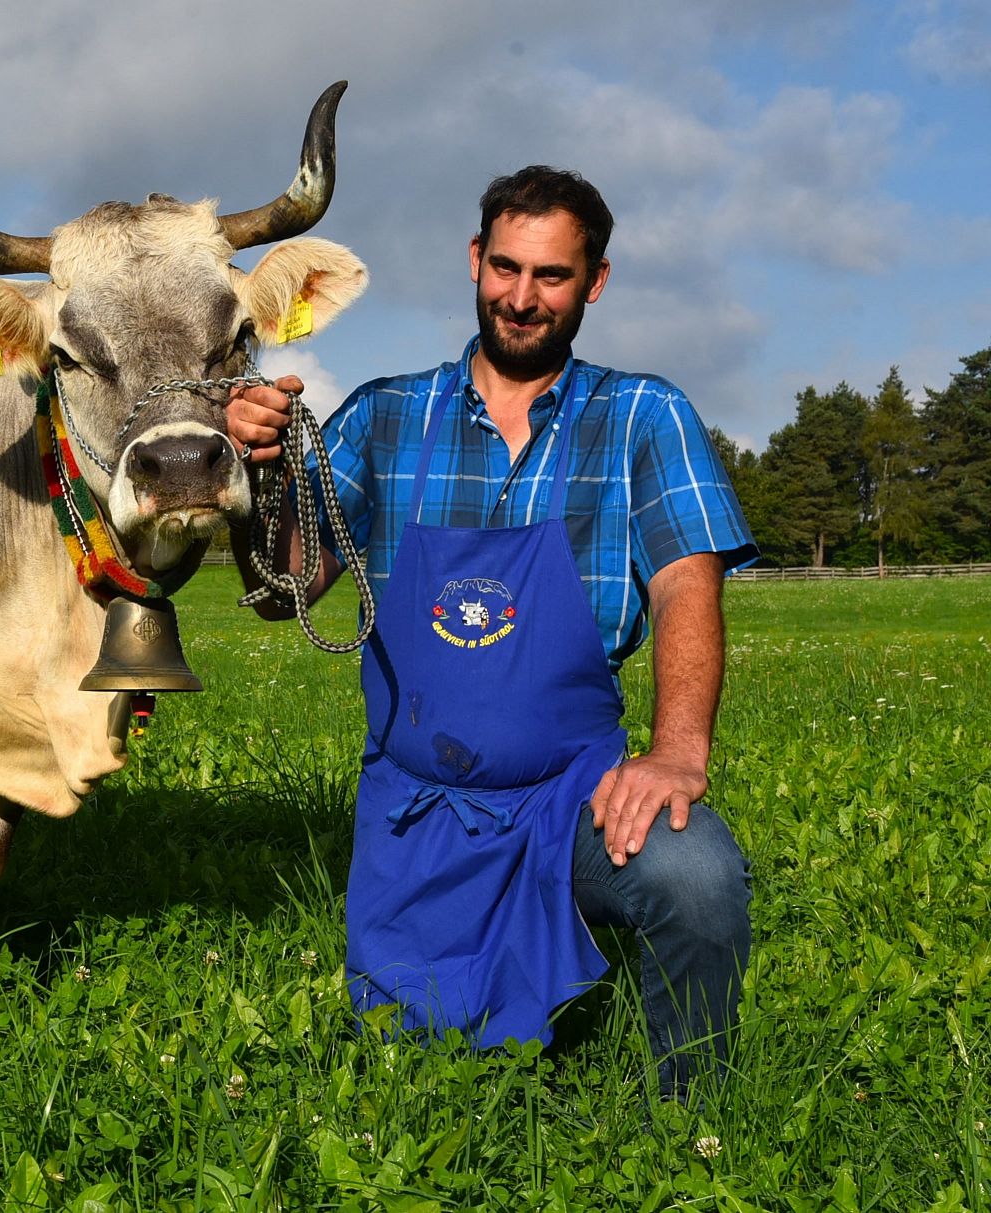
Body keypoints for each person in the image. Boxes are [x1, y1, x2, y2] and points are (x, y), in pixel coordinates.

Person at [226, 165, 756, 1099]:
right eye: (504, 268)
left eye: (551, 276)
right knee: (414, 1082)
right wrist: (255, 472)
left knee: (700, 877)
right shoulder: (384, 419)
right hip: (417, 807)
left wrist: (676, 751)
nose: (521, 297)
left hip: (572, 797)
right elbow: (288, 586)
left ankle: (694, 1119)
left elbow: (686, 587)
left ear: (594, 282)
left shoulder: (643, 417)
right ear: (475, 261)